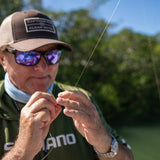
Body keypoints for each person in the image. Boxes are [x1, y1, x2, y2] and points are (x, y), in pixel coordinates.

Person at [0, 9, 134, 160]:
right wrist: (21, 152)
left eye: (52, 55)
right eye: (28, 56)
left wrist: (103, 141)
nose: (43, 68)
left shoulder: (81, 99)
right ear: (3, 59)